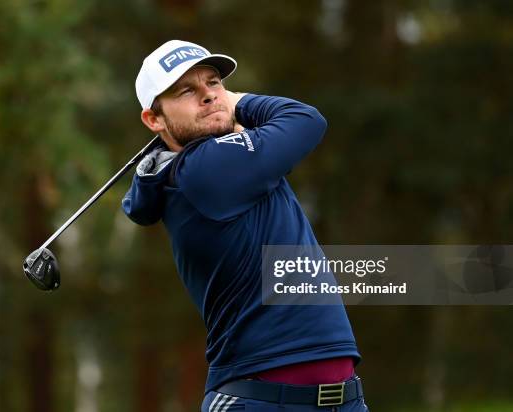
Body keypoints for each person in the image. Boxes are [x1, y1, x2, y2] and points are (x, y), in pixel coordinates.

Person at [123, 40, 369, 411]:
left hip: (343, 399)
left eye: (214, 83)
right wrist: (237, 101)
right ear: (154, 119)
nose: (208, 96)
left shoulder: (224, 162)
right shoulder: (204, 170)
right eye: (187, 90)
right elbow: (305, 120)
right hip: (260, 401)